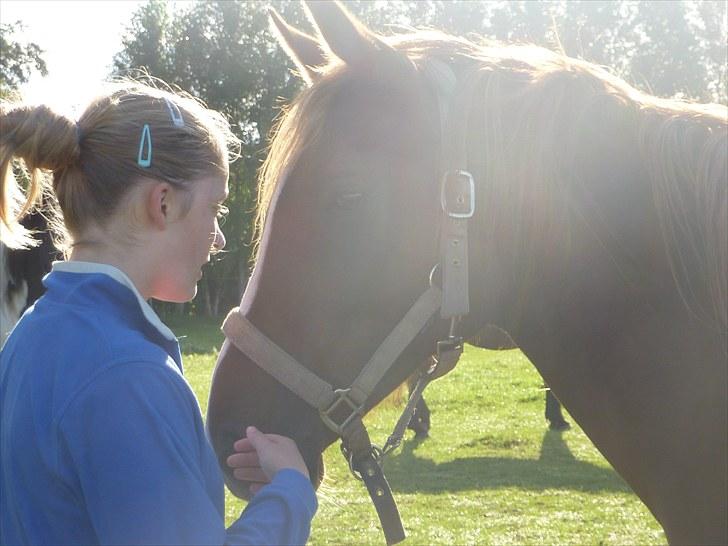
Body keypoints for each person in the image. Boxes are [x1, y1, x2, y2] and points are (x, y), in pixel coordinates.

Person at [0, 82, 317, 545]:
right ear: (163, 203)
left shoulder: (31, 336)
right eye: (215, 207)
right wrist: (291, 490)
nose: (219, 237)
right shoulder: (127, 375)